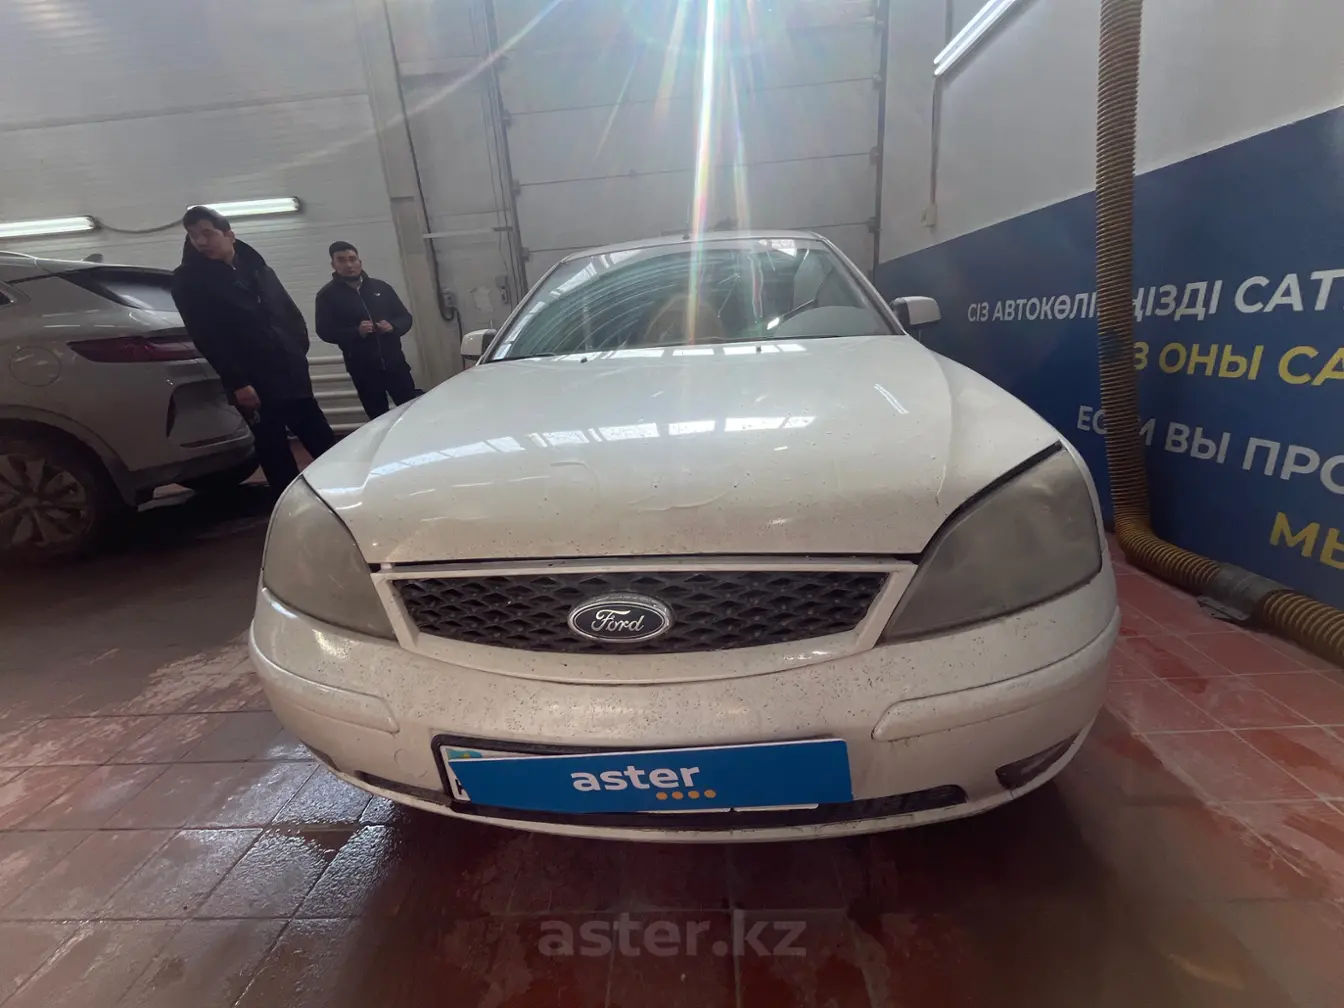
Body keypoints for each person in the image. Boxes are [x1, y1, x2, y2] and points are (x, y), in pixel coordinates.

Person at [171, 206, 335, 492]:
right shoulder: (190, 280)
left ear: (229, 235)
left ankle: (343, 494)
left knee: (321, 438)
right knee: (273, 448)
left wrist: (297, 350)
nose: (201, 241)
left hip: (290, 370)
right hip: (252, 381)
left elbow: (288, 311)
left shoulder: (258, 268)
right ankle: (287, 504)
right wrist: (237, 382)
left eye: (208, 233)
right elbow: (206, 336)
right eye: (194, 236)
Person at [315, 241, 417, 419]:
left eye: (352, 259)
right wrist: (356, 332)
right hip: (363, 371)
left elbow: (405, 317)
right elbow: (324, 331)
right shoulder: (327, 296)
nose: (349, 265)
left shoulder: (381, 288)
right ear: (333, 265)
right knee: (377, 419)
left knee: (411, 413)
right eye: (342, 260)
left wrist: (393, 326)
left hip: (395, 365)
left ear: (360, 262)